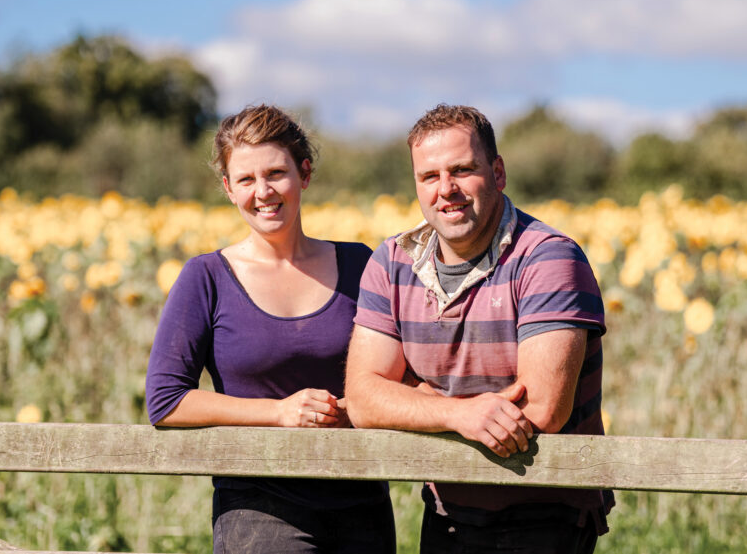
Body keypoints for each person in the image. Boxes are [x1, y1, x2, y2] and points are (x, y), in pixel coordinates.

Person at [345, 104, 612, 553]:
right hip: (447, 507)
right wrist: (459, 414)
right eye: (429, 176)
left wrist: (418, 397)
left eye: (463, 170)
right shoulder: (391, 261)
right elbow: (363, 399)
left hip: (544, 508)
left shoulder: (548, 258)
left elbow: (541, 410)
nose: (445, 189)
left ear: (498, 172)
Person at [145, 104, 394, 554]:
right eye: (245, 179)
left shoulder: (361, 263)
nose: (263, 192)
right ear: (228, 188)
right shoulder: (207, 277)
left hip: (361, 501)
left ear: (305, 173)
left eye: (276, 173)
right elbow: (166, 401)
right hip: (259, 512)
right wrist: (278, 412)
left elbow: (399, 371)